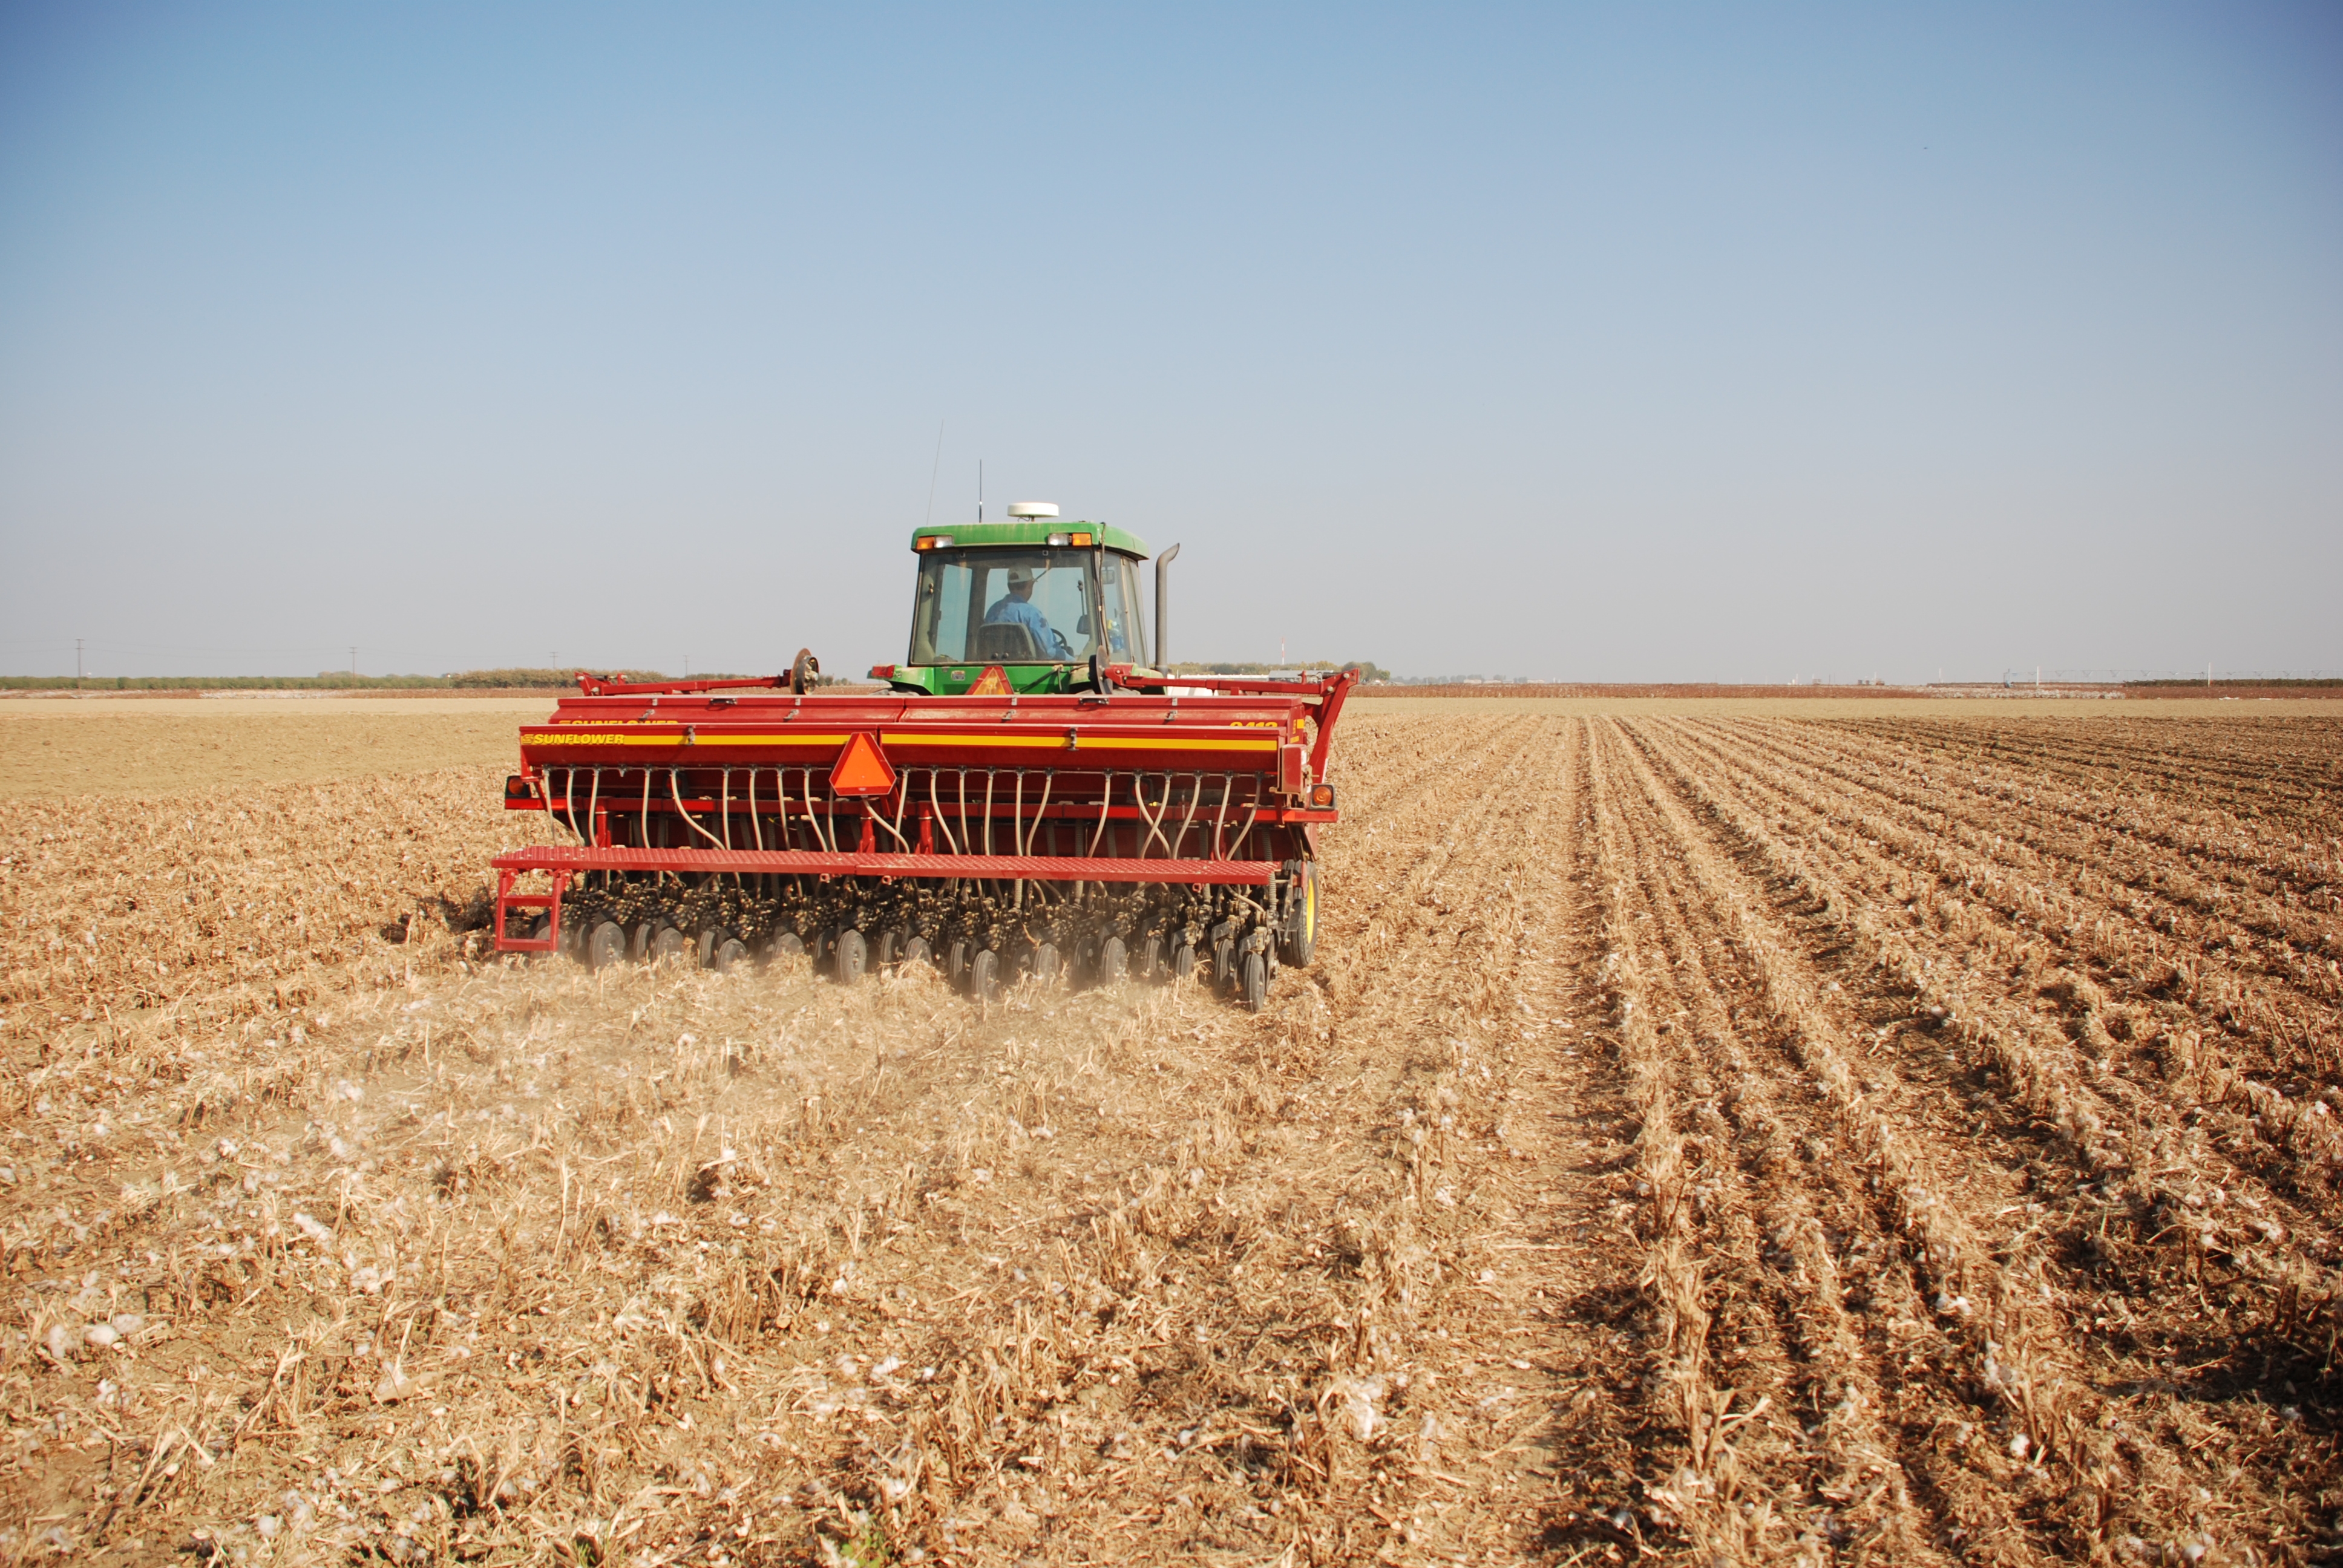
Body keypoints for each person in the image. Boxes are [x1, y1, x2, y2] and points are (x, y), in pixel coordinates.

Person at [983, 567, 1072, 659]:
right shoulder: (1031, 614)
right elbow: (1049, 652)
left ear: (1009, 586)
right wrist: (1074, 662)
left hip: (994, 667)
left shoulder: (992, 612)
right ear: (1030, 585)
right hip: (1027, 671)